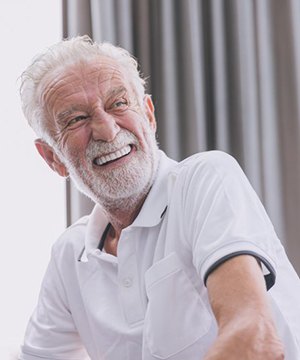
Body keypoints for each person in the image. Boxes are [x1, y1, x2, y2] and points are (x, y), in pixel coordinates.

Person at [19, 35, 300, 360]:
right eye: (76, 119)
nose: (107, 130)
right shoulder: (70, 254)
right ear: (52, 157)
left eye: (119, 104)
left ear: (149, 115)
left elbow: (255, 339)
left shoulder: (206, 178)